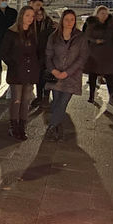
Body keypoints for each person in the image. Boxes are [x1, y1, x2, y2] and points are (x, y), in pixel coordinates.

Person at [44, 9, 88, 141]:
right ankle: (57, 128)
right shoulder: (54, 37)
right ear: (62, 20)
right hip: (55, 76)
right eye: (67, 19)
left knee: (63, 102)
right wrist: (54, 70)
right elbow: (48, 55)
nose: (69, 22)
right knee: (57, 102)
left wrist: (67, 72)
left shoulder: (80, 37)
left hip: (71, 77)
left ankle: (51, 127)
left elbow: (82, 57)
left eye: (72, 20)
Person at [0, 6, 39, 140]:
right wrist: (14, 63)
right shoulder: (12, 32)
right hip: (17, 72)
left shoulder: (33, 33)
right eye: (28, 15)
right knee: (16, 100)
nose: (30, 18)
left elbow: (36, 52)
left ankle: (22, 126)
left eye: (32, 16)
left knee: (26, 101)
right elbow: (4, 52)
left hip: (29, 73)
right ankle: (13, 126)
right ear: (22, 16)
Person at [83, 5, 113, 104]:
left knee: (109, 76)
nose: (104, 15)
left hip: (108, 54)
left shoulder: (111, 24)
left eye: (106, 13)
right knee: (93, 75)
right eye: (102, 13)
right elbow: (87, 36)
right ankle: (91, 95)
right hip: (94, 54)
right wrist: (95, 40)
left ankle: (112, 94)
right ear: (97, 14)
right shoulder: (91, 23)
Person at [32, 6, 55, 107]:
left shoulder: (49, 23)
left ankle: (45, 97)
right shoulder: (32, 24)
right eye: (37, 14)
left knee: (46, 76)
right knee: (38, 77)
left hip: (46, 53)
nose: (39, 16)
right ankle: (39, 97)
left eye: (41, 14)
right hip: (36, 54)